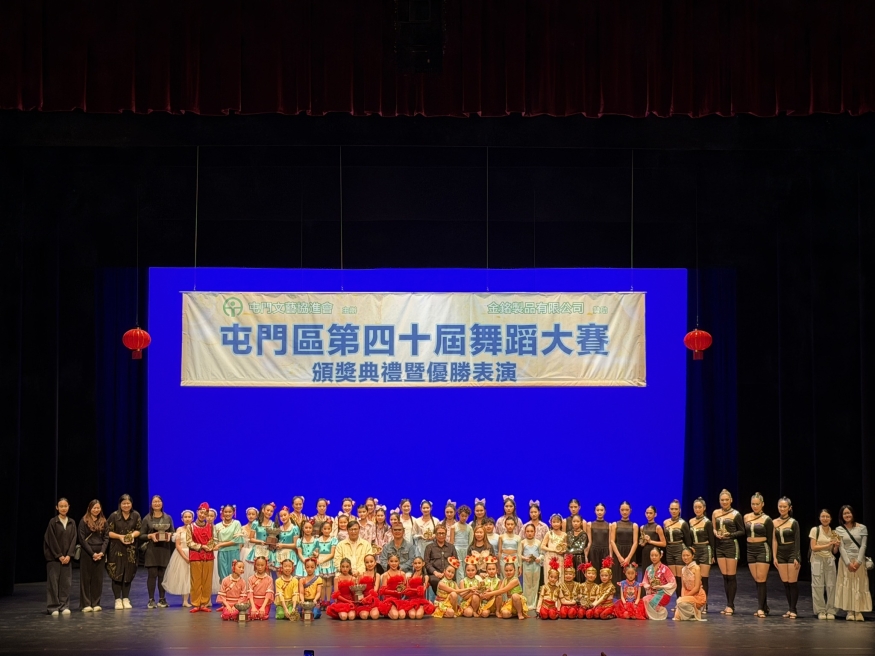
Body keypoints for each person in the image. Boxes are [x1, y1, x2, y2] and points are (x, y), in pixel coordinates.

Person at [835, 504, 871, 621]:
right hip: (845, 562)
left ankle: (858, 611)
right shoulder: (839, 529)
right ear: (841, 516)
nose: (847, 515)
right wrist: (848, 563)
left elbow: (863, 545)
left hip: (859, 561)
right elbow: (841, 547)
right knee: (847, 585)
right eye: (844, 513)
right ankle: (850, 611)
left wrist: (859, 561)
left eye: (848, 513)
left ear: (853, 514)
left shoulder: (862, 528)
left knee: (860, 584)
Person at [105, 494, 141, 610]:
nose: (126, 505)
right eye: (124, 503)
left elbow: (139, 530)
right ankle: (117, 599)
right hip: (116, 548)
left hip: (130, 549)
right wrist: (120, 537)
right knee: (116, 574)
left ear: (131, 504)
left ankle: (125, 598)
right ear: (120, 504)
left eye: (128, 503)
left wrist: (132, 535)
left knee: (128, 573)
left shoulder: (135, 515)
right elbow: (108, 532)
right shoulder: (114, 516)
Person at [712, 489, 745, 615]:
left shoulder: (735, 514)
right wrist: (716, 533)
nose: (724, 502)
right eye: (722, 500)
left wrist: (730, 535)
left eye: (726, 500)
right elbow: (714, 528)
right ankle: (728, 604)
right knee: (725, 576)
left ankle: (731, 605)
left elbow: (742, 531)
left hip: (731, 545)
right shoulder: (715, 513)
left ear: (731, 500)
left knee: (731, 576)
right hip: (720, 546)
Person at [44, 498, 78, 616]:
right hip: (54, 558)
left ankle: (64, 606)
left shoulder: (72, 522)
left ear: (68, 507)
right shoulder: (53, 522)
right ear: (57, 507)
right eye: (61, 506)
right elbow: (51, 540)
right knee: (53, 583)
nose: (63, 508)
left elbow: (74, 539)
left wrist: (69, 555)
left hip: (67, 558)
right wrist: (59, 555)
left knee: (65, 583)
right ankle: (53, 607)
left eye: (65, 506)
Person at [141, 495, 175, 609]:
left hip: (164, 550)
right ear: (151, 504)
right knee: (152, 575)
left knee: (162, 576)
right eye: (154, 502)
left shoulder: (168, 518)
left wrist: (169, 535)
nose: (157, 503)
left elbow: (173, 533)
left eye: (159, 501)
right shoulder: (147, 519)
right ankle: (151, 599)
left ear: (162, 503)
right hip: (152, 550)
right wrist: (150, 536)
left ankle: (162, 599)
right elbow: (141, 535)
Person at [745, 492, 773, 618]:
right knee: (757, 579)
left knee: (761, 579)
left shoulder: (767, 519)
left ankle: (761, 608)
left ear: (762, 504)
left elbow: (771, 538)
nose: (755, 506)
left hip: (763, 548)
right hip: (750, 549)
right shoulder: (746, 517)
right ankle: (765, 606)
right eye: (753, 504)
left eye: (757, 504)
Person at [772, 496, 802, 618]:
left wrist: (797, 557)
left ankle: (793, 609)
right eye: (780, 506)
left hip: (792, 552)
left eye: (785, 507)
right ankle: (789, 608)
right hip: (781, 553)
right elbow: (774, 540)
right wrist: (774, 557)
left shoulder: (793, 522)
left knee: (792, 582)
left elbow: (797, 540)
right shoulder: (774, 522)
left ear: (789, 508)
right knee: (786, 583)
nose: (782, 509)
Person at [78, 499, 109, 612]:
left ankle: (96, 603)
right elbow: (82, 539)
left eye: (98, 508)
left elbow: (106, 538)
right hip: (87, 553)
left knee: (98, 579)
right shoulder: (84, 521)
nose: (96, 510)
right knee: (86, 579)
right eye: (94, 508)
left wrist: (102, 552)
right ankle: (85, 604)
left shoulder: (104, 521)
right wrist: (92, 553)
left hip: (100, 554)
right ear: (90, 508)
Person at [809, 508, 840, 620]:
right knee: (817, 586)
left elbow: (834, 551)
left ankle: (831, 610)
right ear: (819, 518)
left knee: (831, 586)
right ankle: (820, 610)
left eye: (827, 516)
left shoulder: (834, 532)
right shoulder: (815, 530)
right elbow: (813, 547)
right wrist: (828, 545)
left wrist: (836, 546)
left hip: (830, 560)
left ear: (830, 519)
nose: (825, 518)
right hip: (817, 560)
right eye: (823, 516)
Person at [186, 502, 216, 612]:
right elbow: (189, 542)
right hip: (196, 556)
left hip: (208, 556)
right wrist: (201, 546)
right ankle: (195, 603)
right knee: (196, 581)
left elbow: (213, 540)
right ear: (197, 512)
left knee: (207, 581)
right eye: (201, 512)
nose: (202, 515)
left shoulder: (210, 526)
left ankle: (204, 603)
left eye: (205, 513)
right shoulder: (191, 527)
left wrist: (210, 546)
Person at [162, 510, 194, 607]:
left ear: (192, 518)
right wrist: (185, 557)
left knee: (192, 577)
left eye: (189, 517)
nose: (187, 519)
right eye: (185, 517)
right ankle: (185, 600)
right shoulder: (179, 529)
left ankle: (191, 599)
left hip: (193, 553)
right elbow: (178, 545)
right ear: (182, 519)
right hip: (181, 554)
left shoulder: (195, 528)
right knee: (183, 577)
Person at [689, 497, 714, 612]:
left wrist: (712, 555)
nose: (697, 509)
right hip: (695, 550)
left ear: (704, 508)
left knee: (704, 579)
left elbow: (712, 539)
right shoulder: (691, 521)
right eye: (695, 507)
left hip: (705, 549)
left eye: (699, 507)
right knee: (695, 579)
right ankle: (695, 602)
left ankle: (704, 604)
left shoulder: (707, 522)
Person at [641, 548, 676, 620]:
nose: (653, 557)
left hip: (663, 594)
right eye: (652, 555)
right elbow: (644, 581)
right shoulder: (648, 569)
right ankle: (658, 610)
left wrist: (661, 586)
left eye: (656, 555)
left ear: (660, 555)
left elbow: (673, 583)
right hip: (652, 593)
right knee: (643, 602)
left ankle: (662, 612)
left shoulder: (665, 569)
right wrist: (648, 585)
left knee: (646, 600)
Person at [674, 546, 706, 621]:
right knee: (677, 617)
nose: (685, 557)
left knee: (680, 601)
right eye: (683, 555)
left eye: (688, 555)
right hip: (687, 594)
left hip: (698, 595)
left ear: (692, 556)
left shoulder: (696, 568)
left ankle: (696, 611)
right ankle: (691, 613)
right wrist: (683, 597)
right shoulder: (683, 569)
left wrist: (684, 598)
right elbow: (683, 587)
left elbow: (696, 588)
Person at [663, 500, 691, 583]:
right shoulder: (665, 522)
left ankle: (681, 592)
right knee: (672, 578)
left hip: (679, 549)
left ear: (679, 510)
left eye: (676, 509)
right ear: (669, 510)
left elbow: (688, 540)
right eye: (672, 509)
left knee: (680, 577)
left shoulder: (683, 523)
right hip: (669, 550)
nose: (674, 511)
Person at [425, 525, 459, 593]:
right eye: (439, 533)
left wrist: (447, 573)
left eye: (443, 533)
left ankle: (448, 596)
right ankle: (442, 597)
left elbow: (456, 563)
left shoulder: (451, 547)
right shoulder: (429, 547)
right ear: (435, 534)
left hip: (449, 574)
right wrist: (435, 573)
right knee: (435, 580)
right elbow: (427, 563)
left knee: (449, 581)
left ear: (446, 534)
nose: (441, 535)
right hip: (434, 575)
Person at [611, 502, 639, 583]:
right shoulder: (615, 524)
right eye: (622, 510)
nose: (624, 512)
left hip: (630, 553)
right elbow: (612, 541)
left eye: (627, 510)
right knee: (617, 576)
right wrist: (619, 557)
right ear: (619, 510)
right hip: (618, 553)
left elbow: (635, 542)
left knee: (630, 576)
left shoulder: (634, 525)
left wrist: (628, 558)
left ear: (630, 510)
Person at [638, 506, 666, 581]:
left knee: (654, 574)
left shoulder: (658, 527)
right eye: (647, 513)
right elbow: (641, 544)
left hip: (654, 553)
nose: (648, 515)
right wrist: (644, 542)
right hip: (645, 553)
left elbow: (664, 543)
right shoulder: (642, 527)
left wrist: (650, 541)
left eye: (650, 513)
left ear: (655, 514)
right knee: (645, 573)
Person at [377, 554, 408, 619]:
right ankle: (387, 612)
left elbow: (406, 588)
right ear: (388, 562)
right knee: (395, 616)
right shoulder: (385, 575)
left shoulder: (402, 574)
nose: (394, 563)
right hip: (389, 600)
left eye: (396, 561)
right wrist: (394, 592)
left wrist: (403, 590)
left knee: (402, 616)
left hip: (399, 599)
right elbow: (383, 591)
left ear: (399, 562)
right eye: (391, 561)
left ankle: (391, 611)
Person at [520, 523, 543, 608]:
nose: (529, 533)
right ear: (525, 532)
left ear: (535, 532)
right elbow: (519, 554)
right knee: (527, 584)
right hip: (526, 565)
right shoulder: (522, 542)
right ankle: (526, 603)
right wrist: (525, 558)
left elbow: (542, 554)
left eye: (531, 531)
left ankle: (534, 603)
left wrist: (539, 558)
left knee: (535, 583)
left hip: (536, 566)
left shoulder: (538, 542)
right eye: (528, 531)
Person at [315, 520, 338, 602]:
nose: (327, 530)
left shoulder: (333, 540)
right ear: (321, 530)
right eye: (325, 529)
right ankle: (322, 601)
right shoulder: (317, 540)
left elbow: (332, 554)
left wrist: (322, 560)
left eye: (328, 529)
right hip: (319, 562)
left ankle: (328, 601)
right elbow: (316, 551)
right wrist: (315, 554)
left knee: (328, 583)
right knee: (322, 583)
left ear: (331, 529)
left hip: (329, 562)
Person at [246, 502, 275, 567]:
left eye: (271, 511)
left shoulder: (273, 524)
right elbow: (251, 539)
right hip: (258, 549)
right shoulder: (256, 523)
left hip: (268, 550)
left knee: (267, 569)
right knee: (257, 569)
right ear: (263, 510)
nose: (269, 512)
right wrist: (260, 541)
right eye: (268, 510)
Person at [541, 513, 567, 583]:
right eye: (554, 522)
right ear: (551, 523)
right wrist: (553, 550)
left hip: (559, 558)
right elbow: (542, 546)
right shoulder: (549, 533)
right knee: (549, 576)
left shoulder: (564, 534)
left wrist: (563, 551)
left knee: (559, 576)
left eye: (557, 522)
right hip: (549, 557)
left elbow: (565, 547)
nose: (555, 524)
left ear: (561, 523)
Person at [247, 556, 275, 620]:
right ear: (255, 565)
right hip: (254, 602)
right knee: (253, 615)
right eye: (258, 565)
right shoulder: (251, 578)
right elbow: (250, 593)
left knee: (262, 615)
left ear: (266, 565)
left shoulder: (269, 579)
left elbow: (268, 594)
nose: (260, 567)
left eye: (262, 565)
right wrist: (253, 607)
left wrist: (262, 607)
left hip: (264, 603)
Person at [274, 506, 300, 574]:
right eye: (281, 516)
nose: (283, 517)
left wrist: (283, 545)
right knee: (280, 576)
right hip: (280, 554)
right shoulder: (279, 528)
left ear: (289, 515)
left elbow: (296, 545)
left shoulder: (294, 528)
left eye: (285, 515)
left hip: (290, 554)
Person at [355, 554, 381, 620]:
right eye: (367, 562)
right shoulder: (361, 575)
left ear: (375, 563)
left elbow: (375, 591)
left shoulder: (377, 575)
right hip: (363, 600)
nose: (369, 564)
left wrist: (366, 598)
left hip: (373, 600)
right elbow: (358, 589)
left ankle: (372, 611)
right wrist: (360, 599)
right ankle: (367, 611)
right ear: (365, 564)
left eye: (371, 561)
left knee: (375, 616)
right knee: (364, 616)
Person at [452, 505, 473, 582]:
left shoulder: (469, 528)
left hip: (466, 550)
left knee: (466, 569)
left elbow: (470, 542)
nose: (464, 518)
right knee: (459, 571)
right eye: (462, 516)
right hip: (457, 550)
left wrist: (470, 553)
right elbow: (452, 542)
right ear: (458, 515)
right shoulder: (454, 527)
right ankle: (460, 588)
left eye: (466, 516)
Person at [566, 514, 589, 582]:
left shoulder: (583, 534)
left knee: (579, 578)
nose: (575, 523)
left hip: (579, 559)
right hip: (569, 559)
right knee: (570, 577)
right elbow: (567, 546)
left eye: (577, 521)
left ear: (581, 523)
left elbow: (580, 549)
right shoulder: (568, 533)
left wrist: (568, 551)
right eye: (574, 521)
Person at [588, 503, 611, 571]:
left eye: (601, 510)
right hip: (593, 552)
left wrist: (610, 556)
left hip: (605, 551)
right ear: (595, 511)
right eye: (597, 510)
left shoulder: (609, 525)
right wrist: (586, 555)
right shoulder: (590, 524)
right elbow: (589, 542)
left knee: (605, 572)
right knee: (593, 572)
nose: (599, 512)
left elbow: (610, 542)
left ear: (605, 511)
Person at [239, 507, 258, 580]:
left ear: (256, 516)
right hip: (244, 553)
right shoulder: (242, 528)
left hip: (255, 552)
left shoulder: (259, 528)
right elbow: (240, 543)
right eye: (249, 514)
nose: (251, 516)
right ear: (246, 515)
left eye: (253, 514)